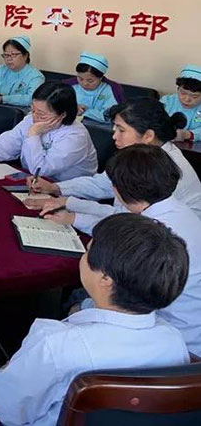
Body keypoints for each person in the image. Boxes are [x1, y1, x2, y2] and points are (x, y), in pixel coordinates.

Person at [0, 213, 190, 426]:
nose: (83, 256)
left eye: (88, 251)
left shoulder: (57, 345)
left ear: (105, 279)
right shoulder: (174, 341)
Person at [47, 145, 201, 354]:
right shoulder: (177, 211)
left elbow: (124, 301)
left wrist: (81, 310)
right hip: (186, 329)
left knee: (78, 299)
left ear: (118, 190)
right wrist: (74, 216)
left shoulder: (150, 235)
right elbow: (119, 221)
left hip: (171, 338)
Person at [27, 99, 201, 226]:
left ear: (148, 135)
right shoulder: (142, 155)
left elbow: (130, 224)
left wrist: (75, 216)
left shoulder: (164, 169)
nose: (114, 136)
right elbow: (102, 184)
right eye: (115, 128)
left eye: (121, 130)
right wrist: (56, 189)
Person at [0, 82, 97, 180]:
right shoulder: (30, 120)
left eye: (41, 114)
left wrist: (33, 134)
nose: (34, 117)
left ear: (63, 114)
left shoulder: (76, 135)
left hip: (66, 192)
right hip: (33, 183)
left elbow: (40, 170)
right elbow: (5, 145)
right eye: (32, 110)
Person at [0, 35, 44, 106]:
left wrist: (3, 99)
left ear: (25, 56)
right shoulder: (2, 70)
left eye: (13, 54)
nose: (9, 59)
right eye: (6, 55)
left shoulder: (36, 76)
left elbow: (32, 99)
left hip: (20, 111)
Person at [66, 52, 123, 122]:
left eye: (90, 81)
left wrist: (85, 111)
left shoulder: (109, 90)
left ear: (101, 77)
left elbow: (109, 116)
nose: (84, 83)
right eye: (80, 79)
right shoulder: (71, 86)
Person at [161, 65, 201, 142]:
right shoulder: (166, 101)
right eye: (183, 93)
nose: (186, 99)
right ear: (178, 89)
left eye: (195, 96)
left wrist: (189, 134)